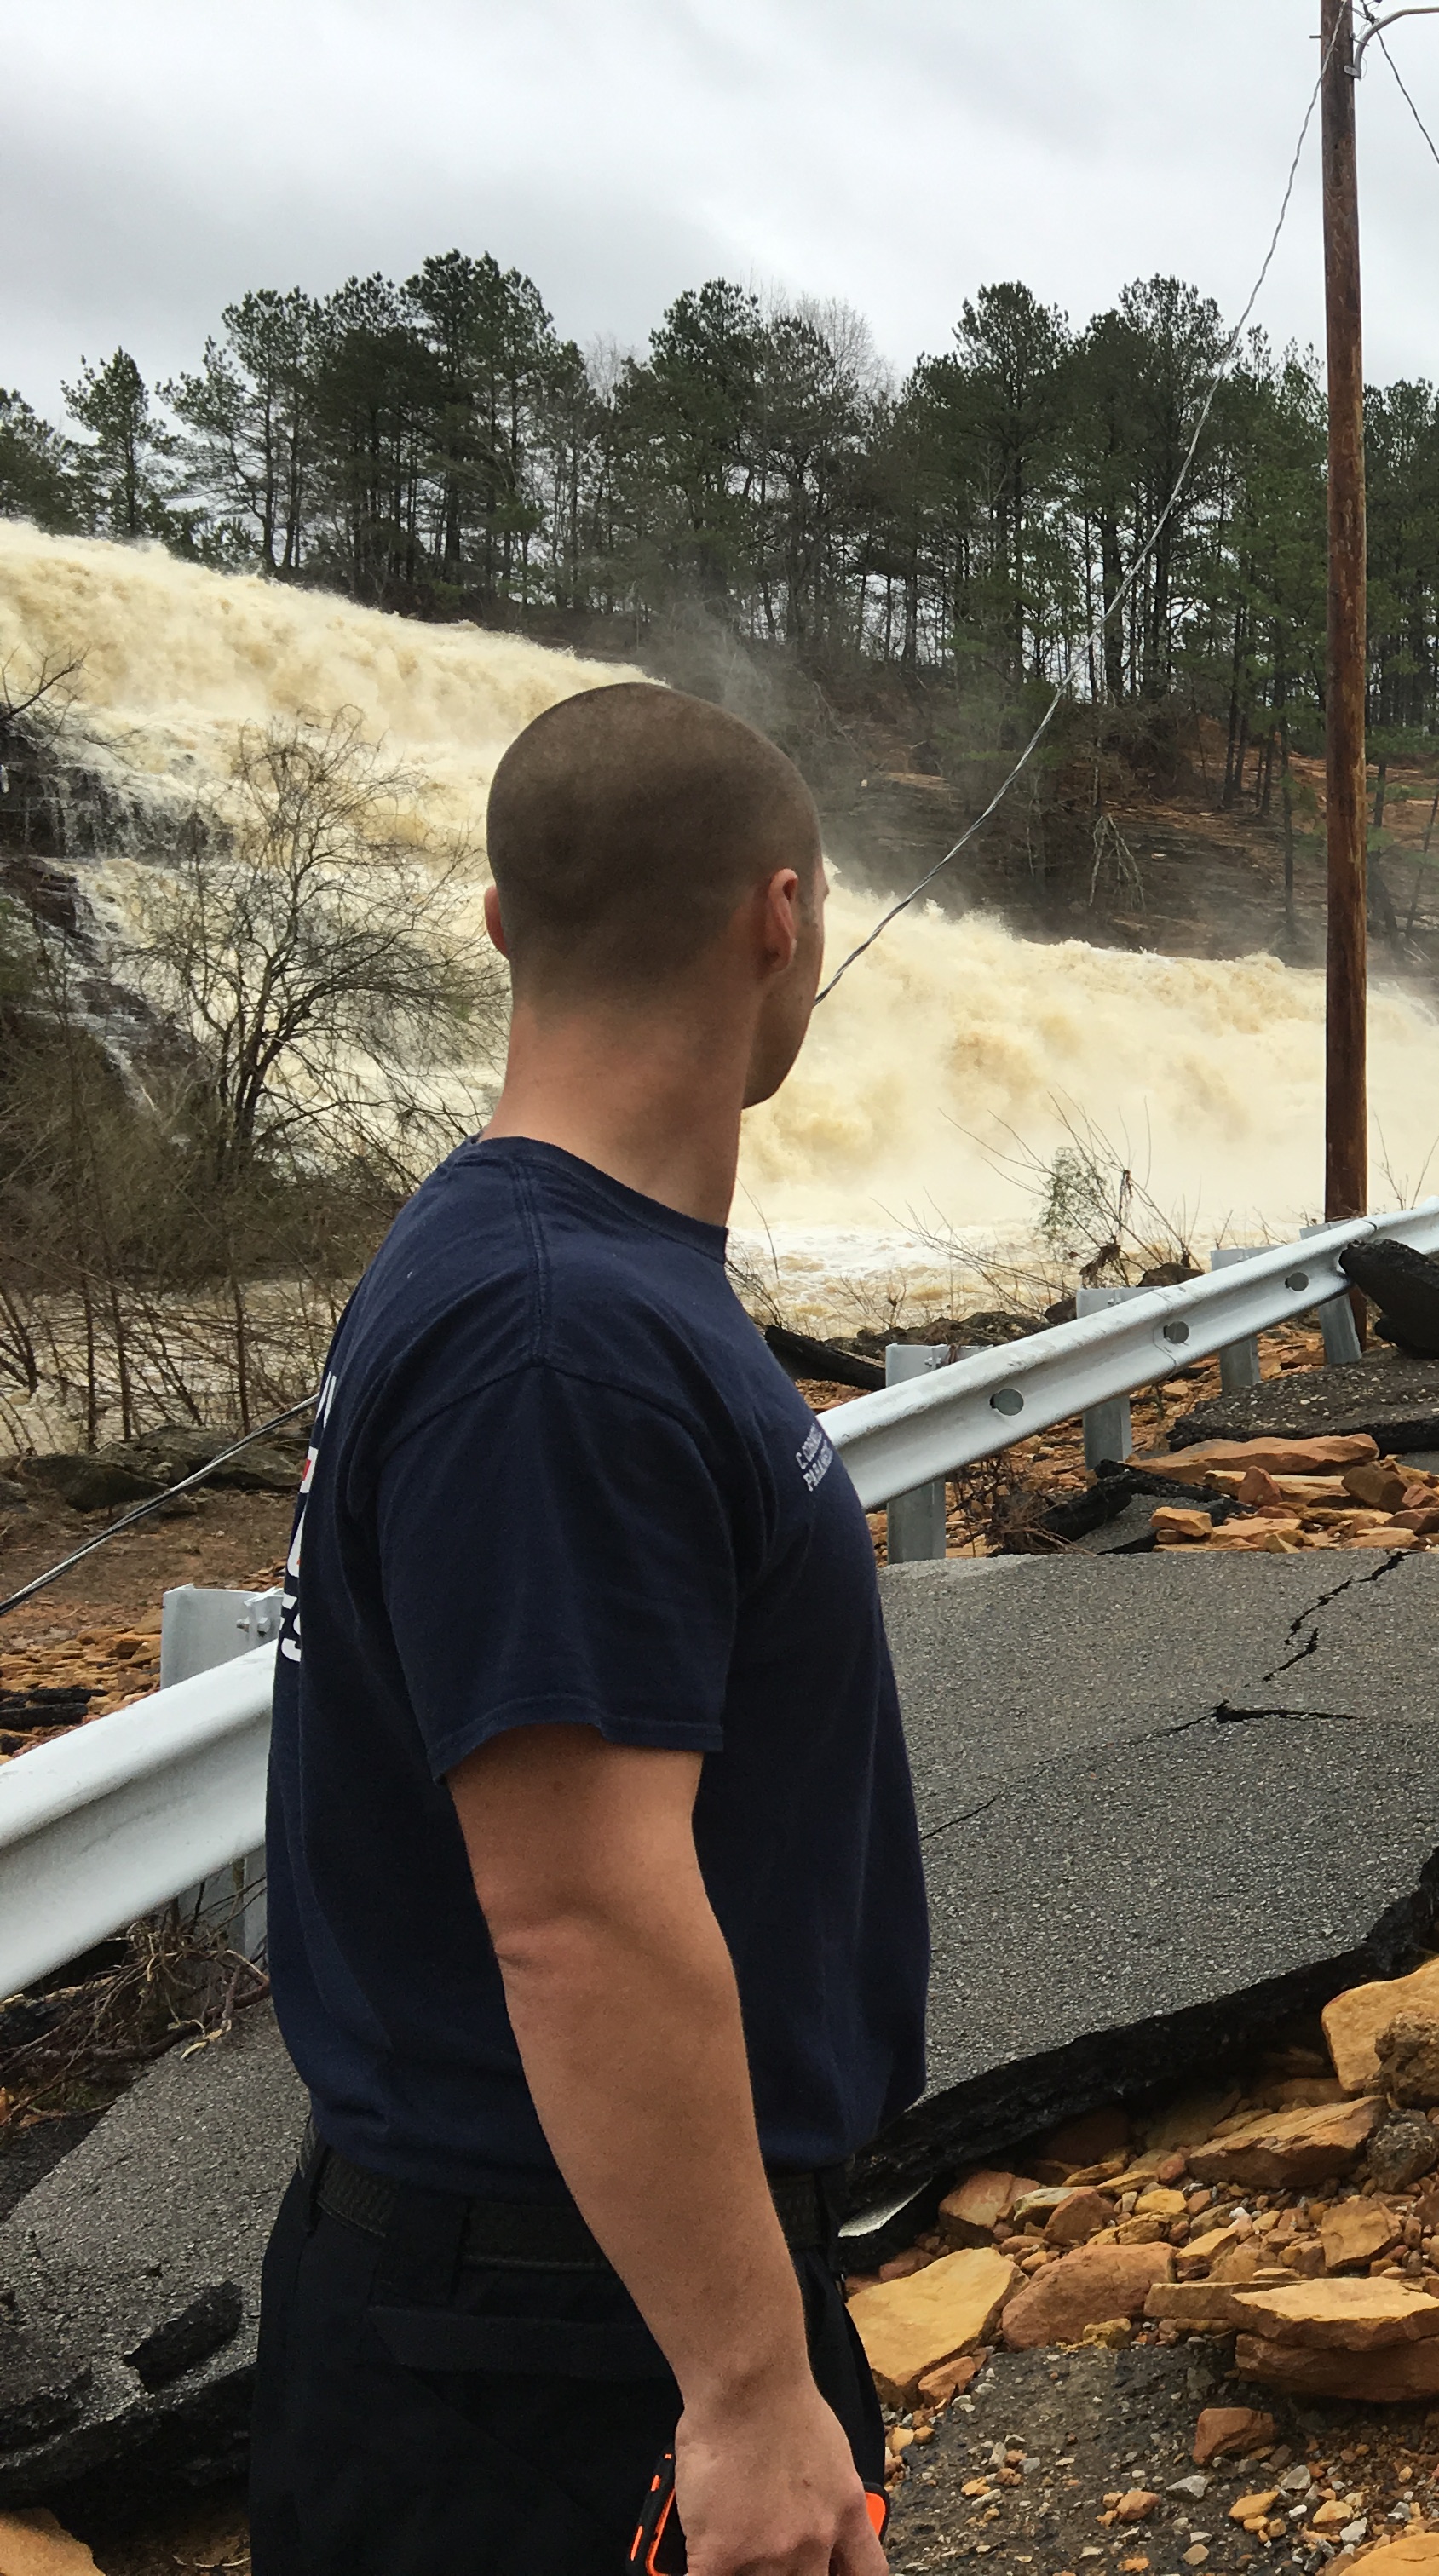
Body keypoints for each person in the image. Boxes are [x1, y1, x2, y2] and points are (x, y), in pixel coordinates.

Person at [252, 682, 924, 2576]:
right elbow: (576, 1913)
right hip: (556, 2353)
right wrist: (741, 2391)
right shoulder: (561, 1339)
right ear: (777, 920)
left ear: (498, 927)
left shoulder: (535, 1274)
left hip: (557, 2292)